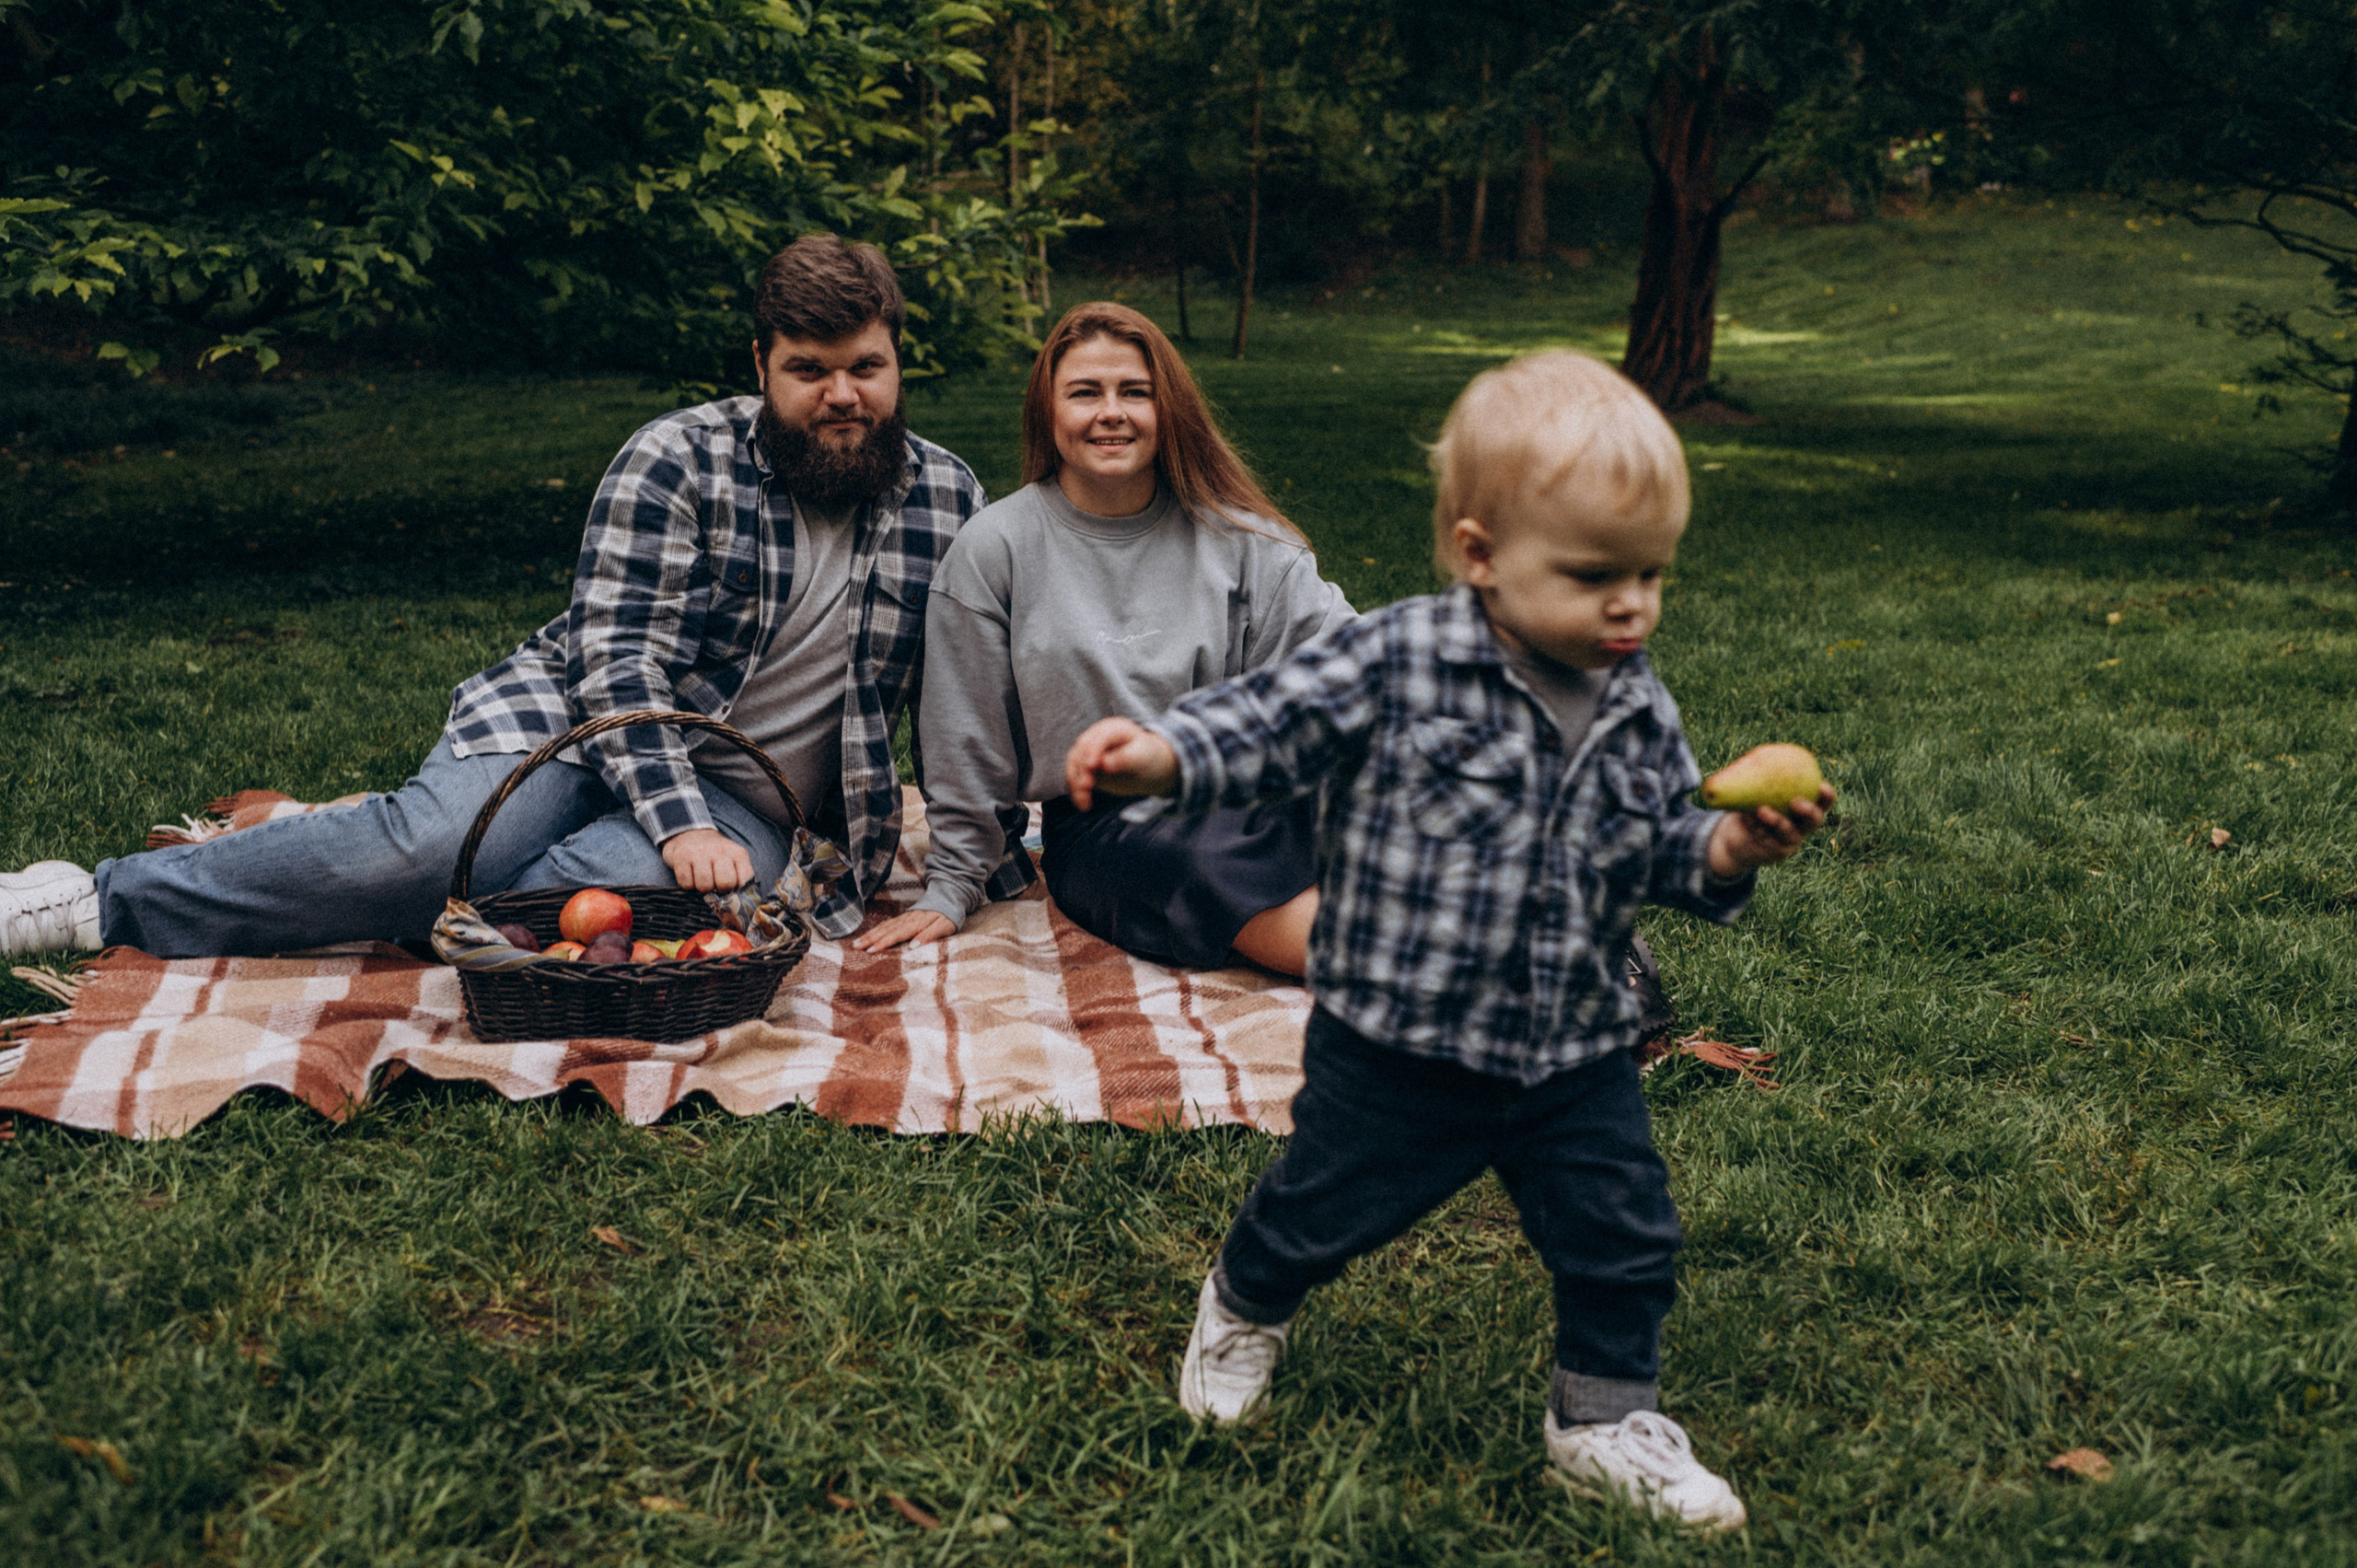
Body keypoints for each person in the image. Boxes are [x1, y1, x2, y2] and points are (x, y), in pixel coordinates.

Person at [1060, 351, 1834, 1531]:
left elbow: (1659, 851)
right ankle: (1244, 1300)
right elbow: (1270, 724)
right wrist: (1161, 756)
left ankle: (1598, 1418)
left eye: (1650, 576)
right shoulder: (1398, 659)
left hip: (1573, 1043)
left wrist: (1729, 853)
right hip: (1401, 1040)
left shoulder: (1635, 705)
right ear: (1480, 555)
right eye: (1593, 576)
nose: (1631, 606)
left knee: (1623, 1229)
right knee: (1326, 1206)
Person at [0, 235, 991, 959]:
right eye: (807, 371)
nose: (842, 396)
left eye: (866, 367)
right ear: (759, 367)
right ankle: (94, 901)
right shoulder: (676, 458)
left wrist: (969, 867)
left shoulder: (947, 501)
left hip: (746, 796)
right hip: (568, 722)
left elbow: (970, 698)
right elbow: (615, 665)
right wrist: (677, 818)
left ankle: (327, 841)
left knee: (599, 910)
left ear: (899, 359)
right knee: (431, 849)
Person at [853, 302, 1353, 974]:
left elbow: (1347, 666)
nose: (1110, 411)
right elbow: (964, 739)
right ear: (1048, 412)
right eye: (1085, 392)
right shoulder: (994, 550)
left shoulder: (1241, 542)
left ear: (1166, 407)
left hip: (1246, 787)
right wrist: (952, 884)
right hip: (1111, 827)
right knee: (1201, 862)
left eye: (1135, 392)